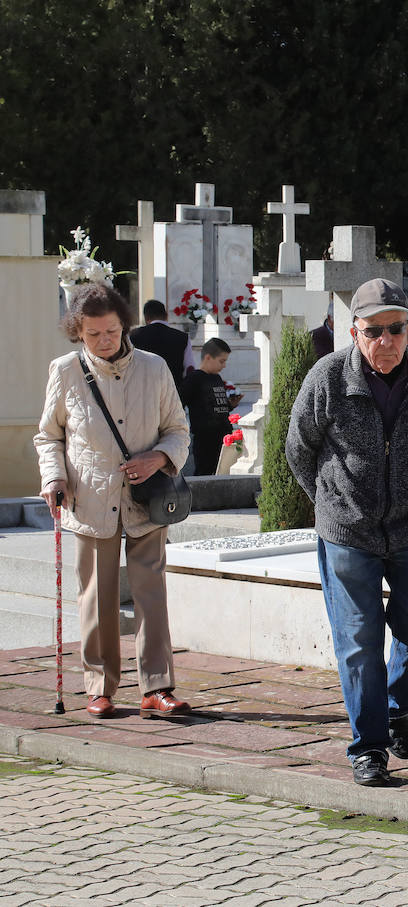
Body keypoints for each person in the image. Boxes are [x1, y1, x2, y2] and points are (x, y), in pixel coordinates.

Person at [287, 279, 408, 786]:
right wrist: (333, 503)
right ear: (354, 332)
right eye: (374, 331)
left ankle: (395, 703)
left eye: (397, 329)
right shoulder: (329, 377)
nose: (387, 341)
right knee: (359, 639)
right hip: (348, 529)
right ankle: (369, 747)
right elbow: (300, 447)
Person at [34, 285, 193, 719]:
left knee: (151, 595)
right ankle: (98, 687)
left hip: (146, 500)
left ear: (124, 324)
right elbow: (49, 435)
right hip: (89, 499)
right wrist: (54, 478)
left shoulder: (154, 368)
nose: (105, 341)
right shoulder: (64, 371)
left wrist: (158, 457)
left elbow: (179, 430)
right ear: (77, 333)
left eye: (111, 330)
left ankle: (157, 688)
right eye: (93, 334)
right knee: (97, 598)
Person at [181, 337, 242, 476]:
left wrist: (230, 405)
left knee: (223, 471)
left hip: (224, 435)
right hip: (205, 439)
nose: (224, 365)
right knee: (205, 473)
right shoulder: (194, 379)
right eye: (222, 361)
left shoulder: (217, 378)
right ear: (208, 357)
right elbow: (180, 403)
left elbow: (218, 404)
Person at [130, 299, 193, 398]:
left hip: (143, 395)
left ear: (146, 318)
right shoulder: (182, 337)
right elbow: (189, 369)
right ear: (166, 316)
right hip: (173, 395)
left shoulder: (134, 335)